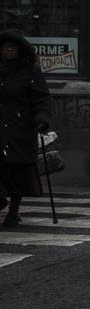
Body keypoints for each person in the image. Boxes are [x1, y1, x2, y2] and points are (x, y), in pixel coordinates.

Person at [0, 31, 53, 228]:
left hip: (20, 128)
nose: (9, 50)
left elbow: (42, 98)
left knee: (15, 170)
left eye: (13, 47)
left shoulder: (30, 72)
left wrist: (42, 118)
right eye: (6, 46)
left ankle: (14, 208)